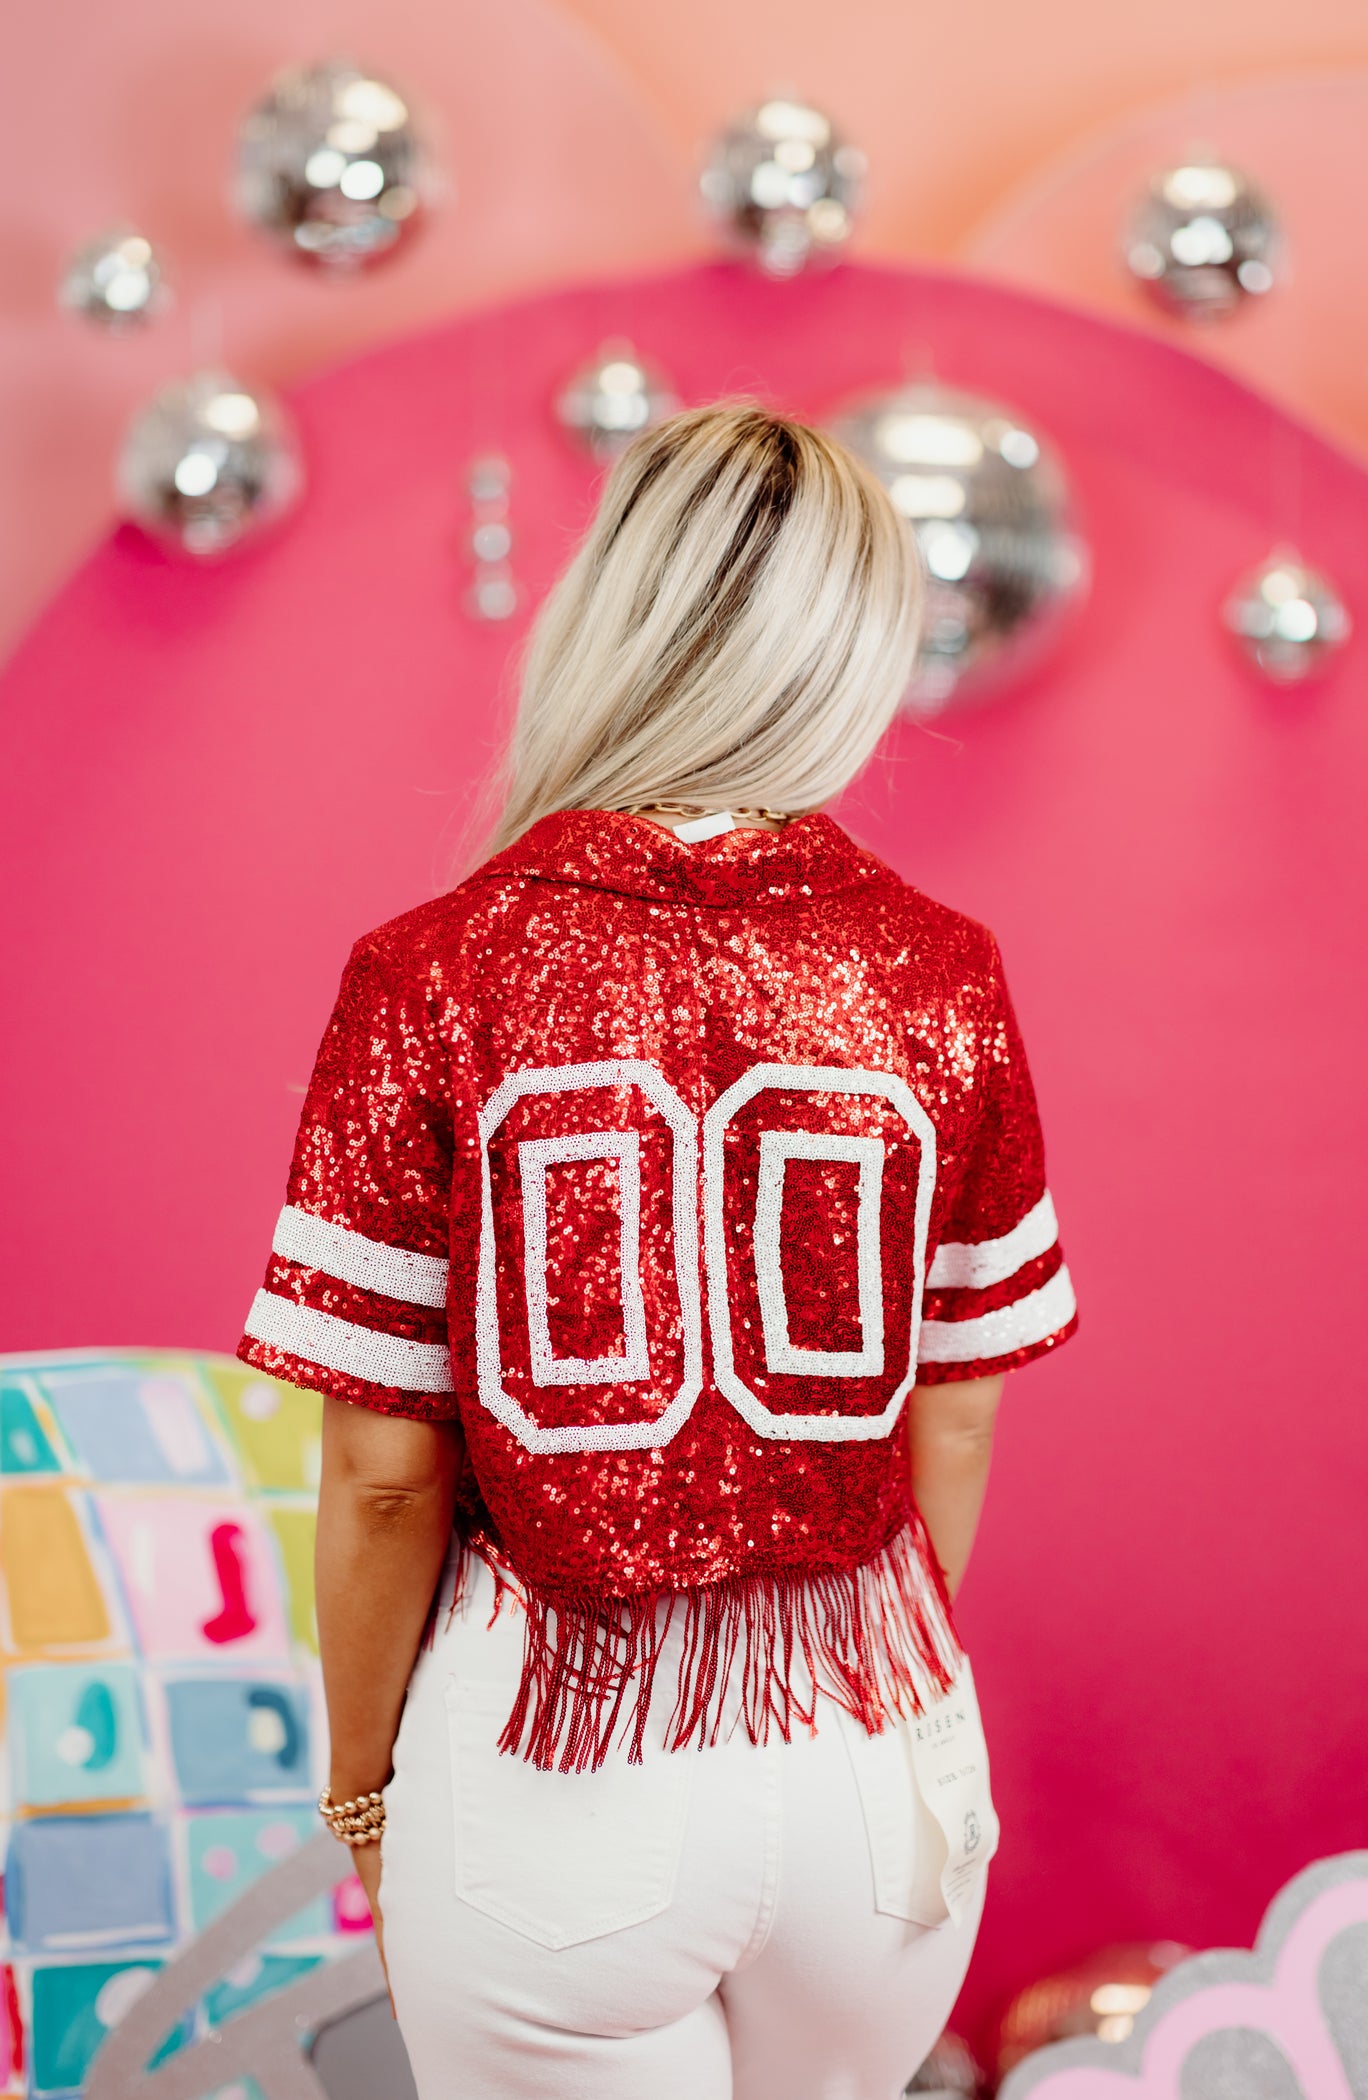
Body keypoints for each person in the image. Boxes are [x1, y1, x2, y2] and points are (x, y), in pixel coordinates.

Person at [237, 403, 1077, 2099]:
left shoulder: (435, 972)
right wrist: (854, 1687)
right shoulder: (944, 973)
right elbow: (961, 1417)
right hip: (874, 1769)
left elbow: (385, 1476)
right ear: (849, 646)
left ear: (608, 616)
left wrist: (362, 1793)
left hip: (557, 1769)